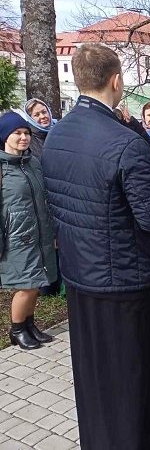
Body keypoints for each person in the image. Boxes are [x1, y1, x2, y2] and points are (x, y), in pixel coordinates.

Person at [41, 43, 150, 449]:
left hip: (80, 271)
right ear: (116, 80)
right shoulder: (126, 142)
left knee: (94, 365)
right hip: (123, 276)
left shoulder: (55, 133)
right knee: (133, 363)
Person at [0, 112, 58, 350]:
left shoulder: (32, 162)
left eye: (26, 133)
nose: (23, 138)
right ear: (5, 136)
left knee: (37, 281)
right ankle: (16, 330)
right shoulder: (2, 168)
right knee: (26, 285)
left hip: (40, 232)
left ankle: (29, 325)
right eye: (18, 133)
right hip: (16, 237)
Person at [21, 98, 62, 296]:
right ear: (30, 117)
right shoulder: (29, 138)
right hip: (42, 195)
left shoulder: (58, 131)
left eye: (44, 112)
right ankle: (48, 285)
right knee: (47, 239)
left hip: (62, 192)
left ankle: (63, 281)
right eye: (36, 114)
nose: (42, 117)